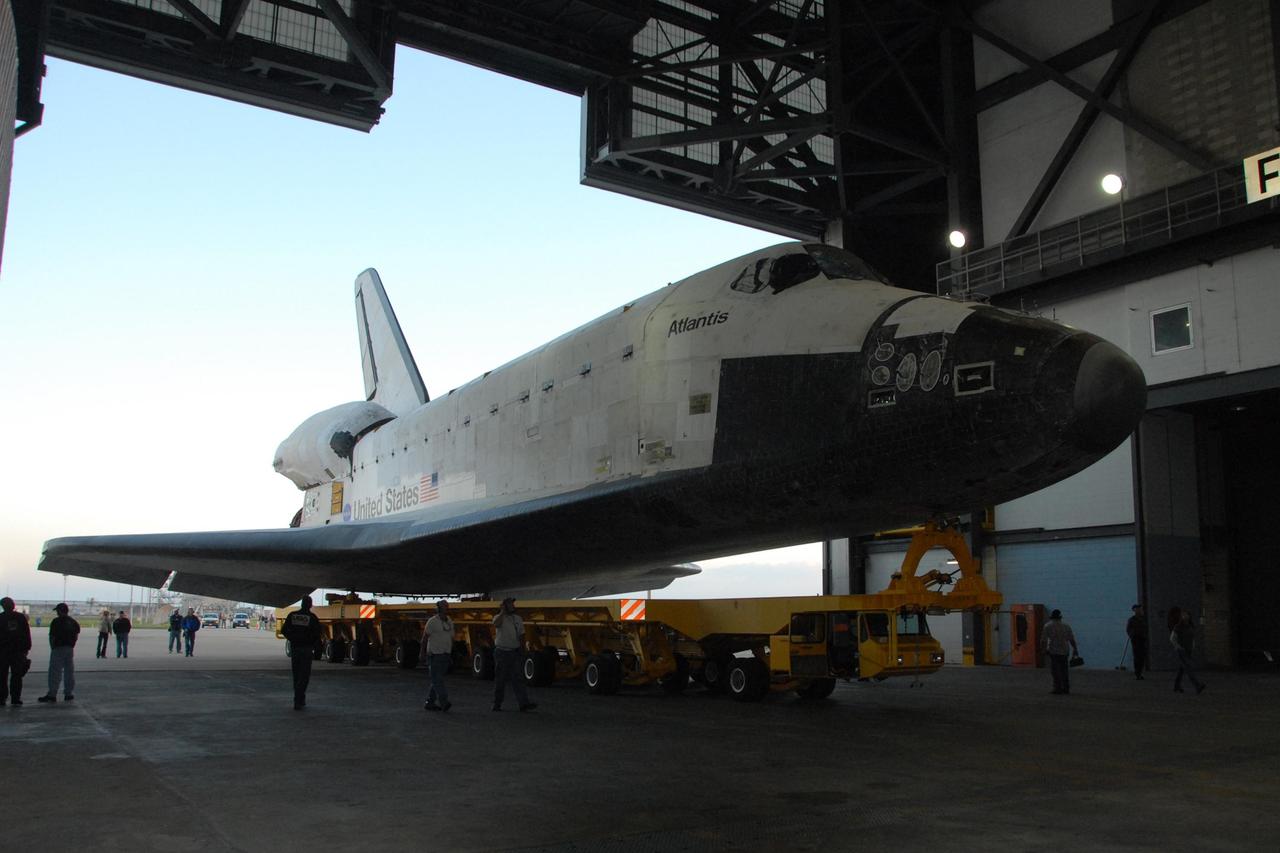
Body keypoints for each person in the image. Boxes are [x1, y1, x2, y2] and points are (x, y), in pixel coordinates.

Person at [491, 597, 536, 712]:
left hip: (514, 652)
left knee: (518, 679)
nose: (513, 606)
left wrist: (523, 649)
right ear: (504, 606)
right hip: (501, 652)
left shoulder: (517, 619)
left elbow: (521, 634)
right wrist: (502, 612)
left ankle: (523, 703)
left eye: (512, 604)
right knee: (500, 679)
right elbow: (496, 624)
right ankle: (497, 703)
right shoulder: (499, 618)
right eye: (510, 604)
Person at [281, 596, 324, 710]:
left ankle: (299, 698)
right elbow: (318, 634)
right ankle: (299, 699)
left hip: (295, 649)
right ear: (310, 605)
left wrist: (293, 638)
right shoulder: (312, 617)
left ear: (301, 604)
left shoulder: (293, 615)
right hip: (306, 649)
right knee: (304, 676)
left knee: (296, 675)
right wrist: (313, 644)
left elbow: (284, 630)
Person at [38, 603, 80, 703]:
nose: (56, 612)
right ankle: (68, 693)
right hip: (69, 648)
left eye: (57, 610)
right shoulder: (73, 622)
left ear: (60, 611)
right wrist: (71, 645)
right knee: (69, 671)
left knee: (55, 672)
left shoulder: (56, 621)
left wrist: (53, 647)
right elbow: (76, 635)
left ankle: (52, 694)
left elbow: (52, 636)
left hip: (58, 648)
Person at [421, 599, 456, 712]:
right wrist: (422, 653)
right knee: (438, 679)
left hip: (445, 654)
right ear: (439, 608)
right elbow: (425, 638)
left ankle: (430, 702)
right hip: (435, 655)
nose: (447, 608)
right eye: (445, 606)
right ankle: (444, 702)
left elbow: (451, 636)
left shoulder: (449, 621)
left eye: (447, 606)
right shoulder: (432, 621)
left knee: (437, 680)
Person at [0, 596, 32, 706]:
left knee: (2, 676)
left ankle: (2, 698)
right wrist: (27, 648)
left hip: (3, 652)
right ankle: (15, 698)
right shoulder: (20, 618)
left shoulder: (1, 618)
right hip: (17, 651)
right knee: (17, 676)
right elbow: (27, 633)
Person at [1041, 608, 1079, 695]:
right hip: (1065, 651)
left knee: (1055, 671)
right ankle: (1066, 688)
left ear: (1051, 617)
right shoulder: (1066, 626)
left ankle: (1057, 688)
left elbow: (1043, 640)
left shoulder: (1047, 626)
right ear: (1060, 617)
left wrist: (1043, 650)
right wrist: (1075, 649)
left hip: (1053, 651)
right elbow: (1071, 639)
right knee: (1064, 670)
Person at [1170, 609, 1206, 694]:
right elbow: (1172, 638)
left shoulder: (1190, 626)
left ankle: (1176, 686)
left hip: (1188, 649)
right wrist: (1178, 647)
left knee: (1182, 669)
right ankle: (1197, 685)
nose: (1185, 616)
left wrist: (1192, 645)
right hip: (1182, 650)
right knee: (1188, 668)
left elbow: (1192, 637)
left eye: (1186, 615)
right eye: (1183, 615)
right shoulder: (1178, 626)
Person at [1126, 604, 1148, 680]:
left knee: (1142, 656)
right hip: (1136, 639)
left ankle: (1140, 672)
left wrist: (1145, 635)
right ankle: (1137, 673)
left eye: (1140, 609)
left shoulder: (1143, 619)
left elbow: (1146, 628)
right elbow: (1128, 629)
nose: (1139, 610)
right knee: (1137, 656)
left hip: (1142, 638)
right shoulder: (1132, 620)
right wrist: (1132, 635)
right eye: (1137, 609)